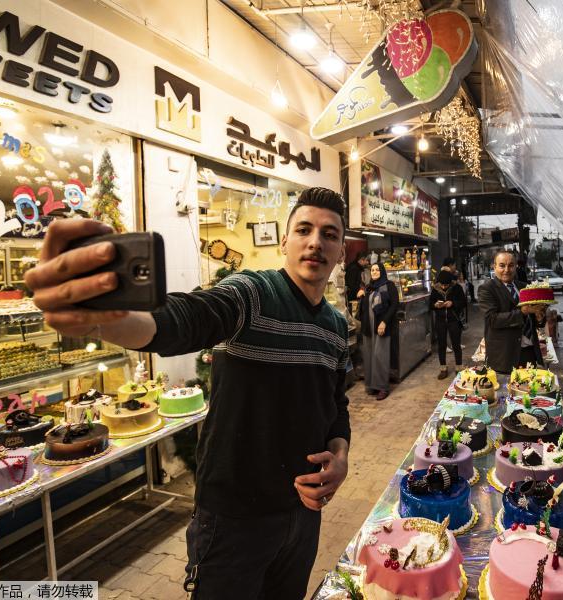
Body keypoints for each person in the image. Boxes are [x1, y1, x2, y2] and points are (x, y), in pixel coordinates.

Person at [24, 188, 351, 599]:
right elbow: (189, 316)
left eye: (329, 234)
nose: (315, 242)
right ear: (284, 242)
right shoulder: (253, 294)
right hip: (235, 518)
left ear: (341, 252)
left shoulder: (335, 326)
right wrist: (105, 320)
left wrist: (340, 458)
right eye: (303, 230)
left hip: (304, 512)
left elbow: (336, 406)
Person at [477, 250, 545, 374]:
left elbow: (532, 319)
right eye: (502, 265)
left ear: (516, 267)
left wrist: (539, 317)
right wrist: (522, 312)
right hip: (504, 356)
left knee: (529, 385)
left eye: (511, 265)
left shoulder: (525, 287)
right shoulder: (487, 289)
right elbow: (493, 319)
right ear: (494, 266)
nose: (507, 270)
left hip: (529, 352)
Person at [358, 262, 398, 400]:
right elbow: (365, 307)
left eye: (377, 270)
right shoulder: (368, 288)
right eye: (372, 270)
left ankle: (382, 387)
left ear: (382, 271)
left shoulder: (389, 285)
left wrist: (384, 322)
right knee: (369, 356)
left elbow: (394, 305)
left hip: (381, 326)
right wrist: (362, 296)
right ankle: (371, 385)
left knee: (380, 356)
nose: (374, 272)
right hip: (368, 327)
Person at [430, 270, 467, 379]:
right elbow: (430, 304)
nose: (443, 287)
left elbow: (463, 302)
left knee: (456, 344)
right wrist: (435, 305)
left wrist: (452, 303)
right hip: (440, 320)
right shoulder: (435, 289)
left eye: (446, 285)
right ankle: (443, 369)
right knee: (441, 345)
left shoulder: (457, 288)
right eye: (442, 285)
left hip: (454, 320)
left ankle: (459, 367)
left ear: (450, 283)